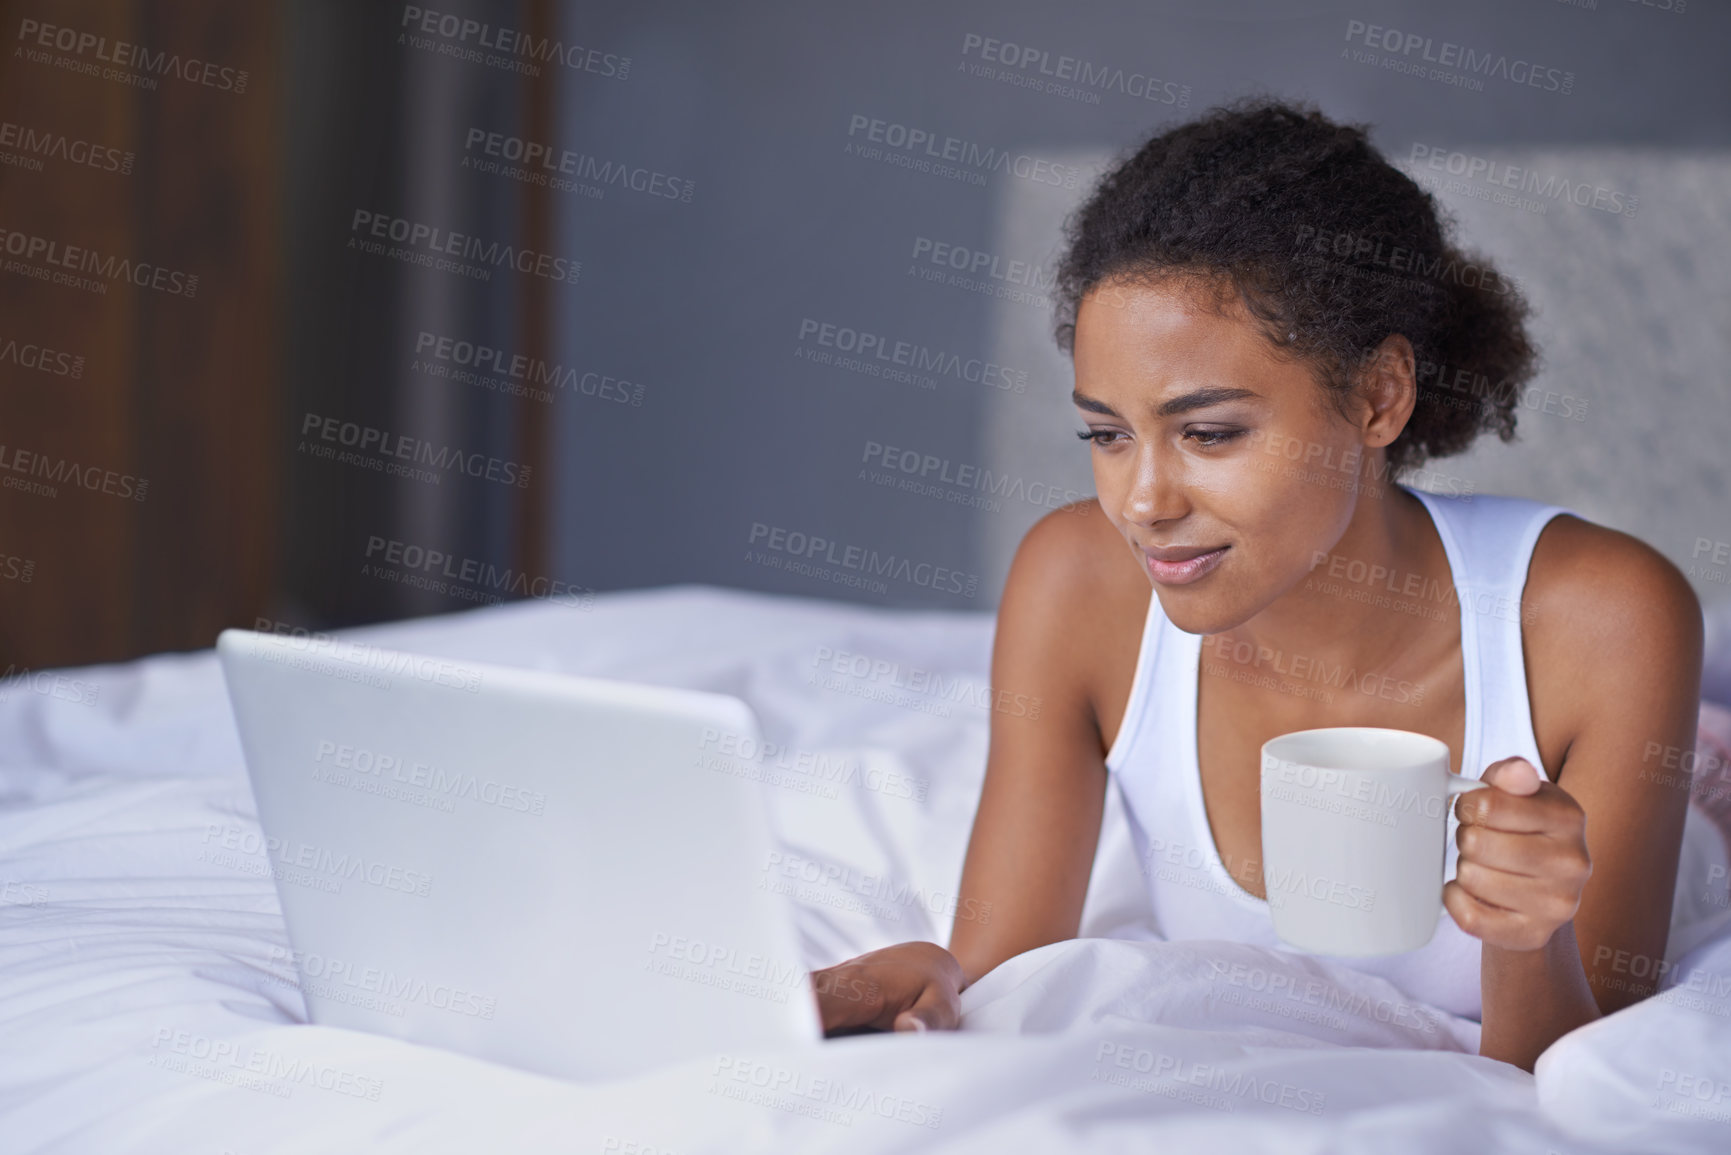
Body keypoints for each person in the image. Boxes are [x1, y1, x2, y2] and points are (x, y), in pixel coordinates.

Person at [809, 97, 1720, 1073]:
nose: (1143, 502)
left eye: (1208, 433)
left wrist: (1525, 939)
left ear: (1379, 396)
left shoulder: (1605, 620)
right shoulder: (1076, 584)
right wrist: (929, 983)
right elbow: (1006, 976)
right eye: (1107, 435)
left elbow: (1590, 1076)